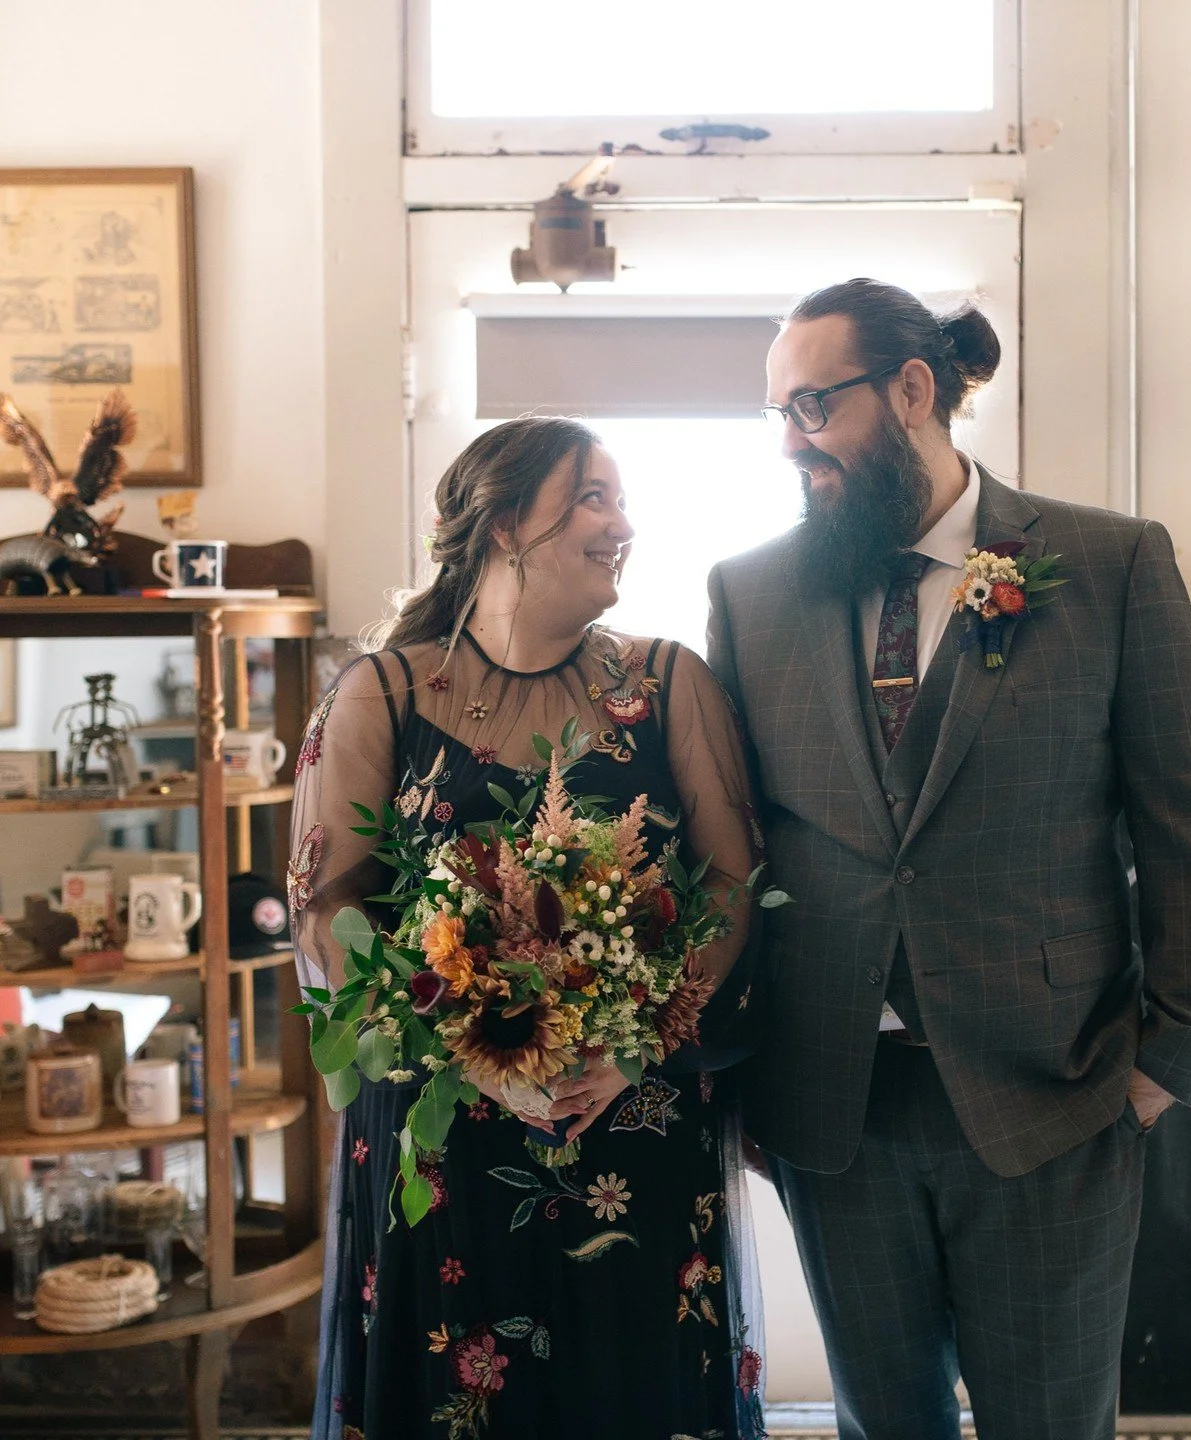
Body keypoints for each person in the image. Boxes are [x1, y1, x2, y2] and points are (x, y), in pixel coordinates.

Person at [706, 278, 1191, 1440]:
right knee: (879, 1421)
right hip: (833, 1103)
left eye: (813, 409)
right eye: (778, 415)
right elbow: (735, 848)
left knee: (1051, 1422)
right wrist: (739, 1065)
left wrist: (1172, 1053)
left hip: (1056, 1091)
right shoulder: (749, 597)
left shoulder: (1110, 565)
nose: (792, 444)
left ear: (911, 391)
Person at [291, 416, 767, 1440]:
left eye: (621, 499)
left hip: (626, 1125)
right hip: (443, 1143)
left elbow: (734, 877)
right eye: (594, 496)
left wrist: (639, 1037)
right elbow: (327, 907)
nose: (622, 523)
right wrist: (466, 1054)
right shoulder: (384, 692)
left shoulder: (668, 682)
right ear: (506, 523)